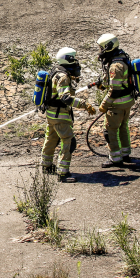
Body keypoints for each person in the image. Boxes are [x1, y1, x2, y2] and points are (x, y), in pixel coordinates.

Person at [40, 47, 97, 182]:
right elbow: (65, 98)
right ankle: (63, 173)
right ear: (68, 59)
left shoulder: (55, 71)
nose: (76, 62)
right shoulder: (63, 77)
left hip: (51, 115)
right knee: (68, 142)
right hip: (60, 116)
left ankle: (46, 166)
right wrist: (84, 104)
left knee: (51, 139)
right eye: (74, 58)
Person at [95, 33, 135, 167]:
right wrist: (102, 85)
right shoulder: (122, 58)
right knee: (123, 128)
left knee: (110, 130)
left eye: (102, 48)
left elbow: (115, 90)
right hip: (127, 102)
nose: (100, 51)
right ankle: (125, 154)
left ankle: (115, 158)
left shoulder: (115, 66)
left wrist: (104, 104)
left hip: (118, 104)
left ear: (108, 47)